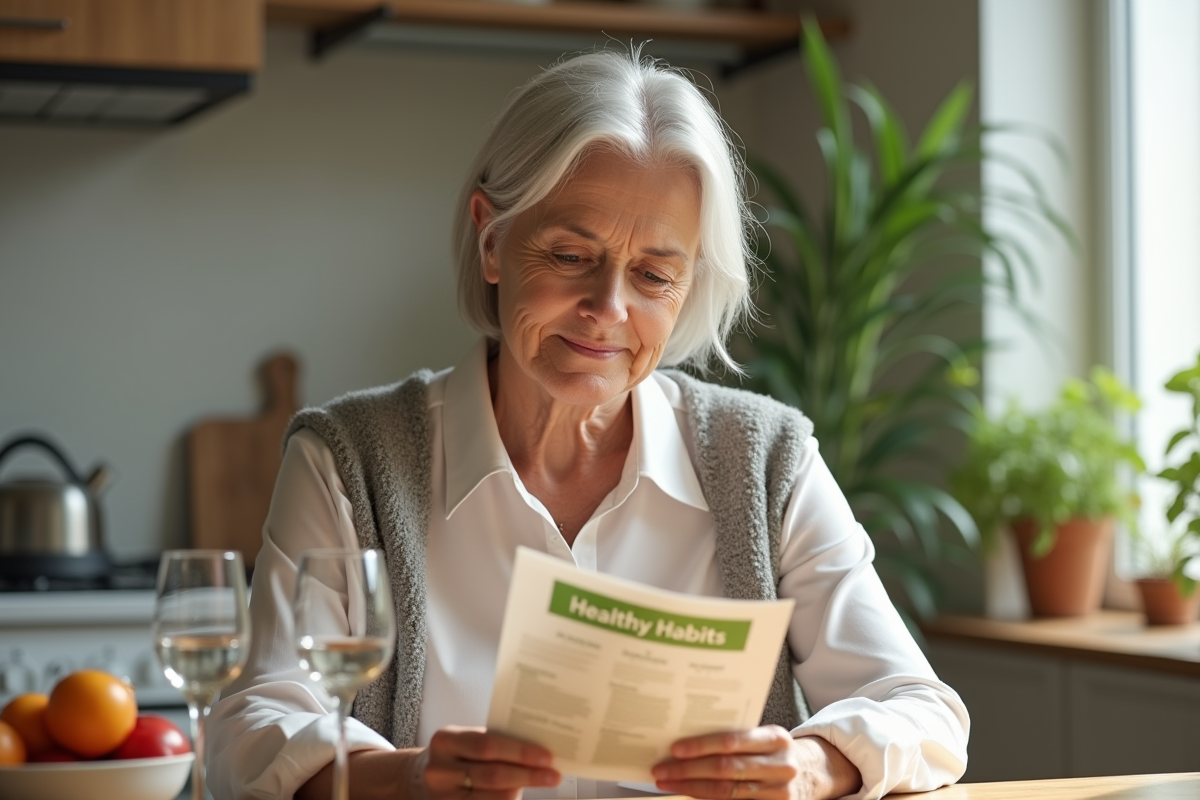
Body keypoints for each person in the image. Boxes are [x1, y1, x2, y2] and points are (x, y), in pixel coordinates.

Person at [206, 50, 969, 800]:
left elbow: (921, 710)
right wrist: (404, 779)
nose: (609, 310)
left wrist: (811, 766)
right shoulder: (349, 463)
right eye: (572, 255)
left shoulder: (766, 460)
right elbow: (254, 724)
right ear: (492, 238)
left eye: (654, 276)